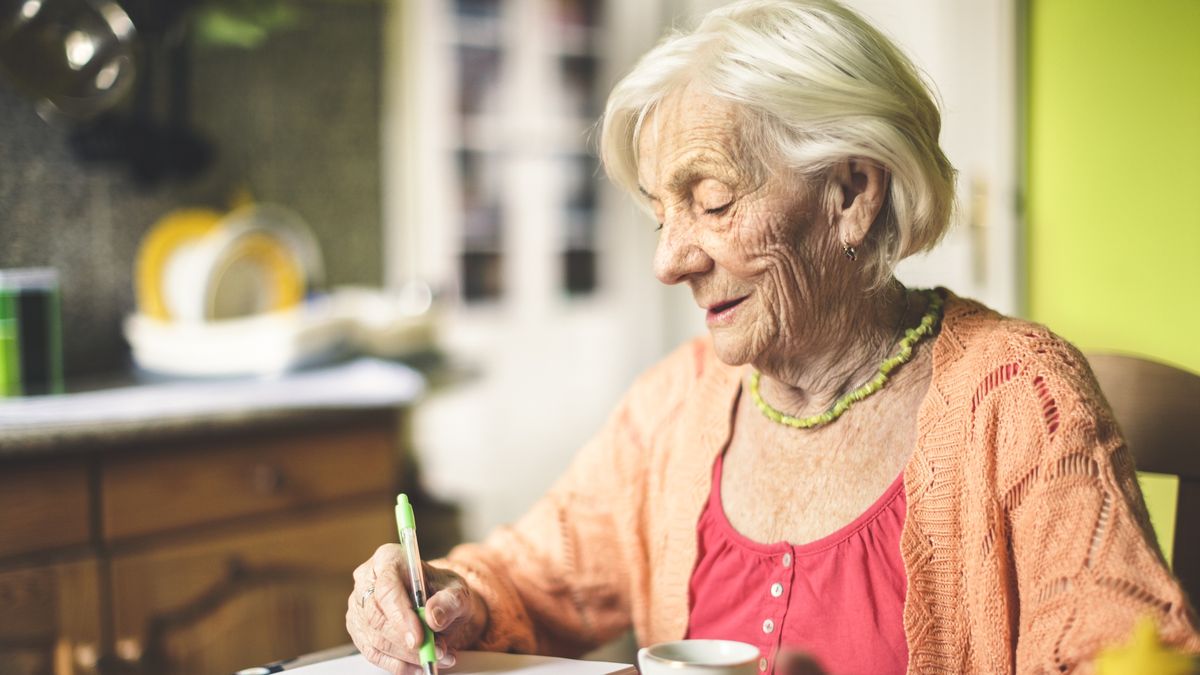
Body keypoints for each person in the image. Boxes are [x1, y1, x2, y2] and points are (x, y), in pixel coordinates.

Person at [346, 1, 1200, 673]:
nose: (670, 260)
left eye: (712, 202)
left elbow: (1125, 659)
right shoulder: (676, 406)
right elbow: (527, 578)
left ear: (853, 194)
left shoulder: (1021, 399)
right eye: (659, 214)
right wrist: (440, 592)